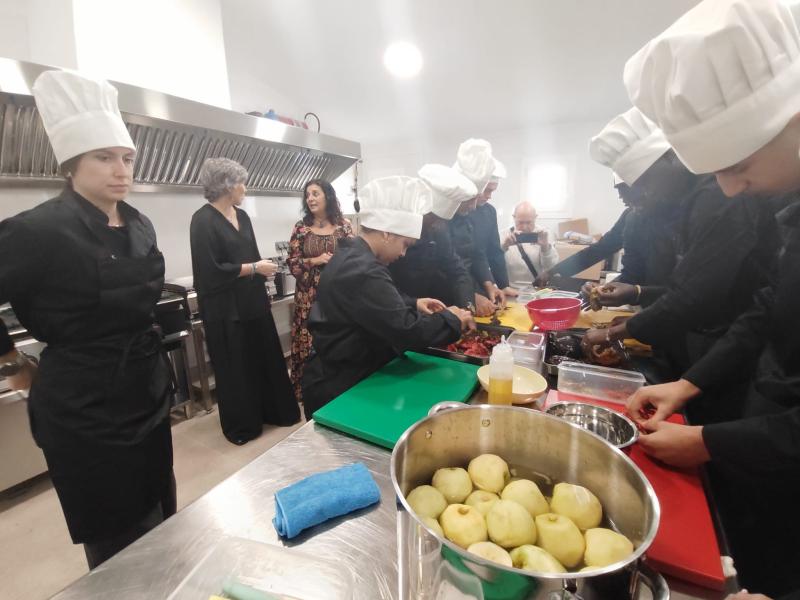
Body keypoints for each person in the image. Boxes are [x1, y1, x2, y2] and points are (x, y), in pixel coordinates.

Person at [622, 0, 800, 594]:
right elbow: (768, 308)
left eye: (739, 163)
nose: (728, 187)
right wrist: (688, 385)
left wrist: (708, 440)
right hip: (765, 430)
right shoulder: (789, 207)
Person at [0, 70, 175, 568]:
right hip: (85, 415)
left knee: (162, 522)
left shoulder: (138, 223)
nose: (120, 170)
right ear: (72, 163)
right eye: (104, 157)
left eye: (126, 158)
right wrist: (12, 363)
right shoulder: (38, 230)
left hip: (147, 398)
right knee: (121, 545)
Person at [581, 108, 775, 384]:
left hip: (734, 342)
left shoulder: (716, 197)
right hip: (695, 335)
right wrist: (634, 294)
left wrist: (618, 331)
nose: (643, 195)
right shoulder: (683, 201)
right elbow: (681, 289)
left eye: (645, 183)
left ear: (671, 158)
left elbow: (695, 295)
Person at [302, 176, 474, 419]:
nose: (404, 254)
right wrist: (452, 318)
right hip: (338, 387)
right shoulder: (362, 268)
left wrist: (412, 302)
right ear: (386, 233)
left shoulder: (357, 256)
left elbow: (372, 303)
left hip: (348, 373)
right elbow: (406, 329)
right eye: (405, 244)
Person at [190, 158, 300, 445]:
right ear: (227, 185)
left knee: (264, 358)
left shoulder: (243, 216)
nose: (244, 188)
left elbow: (250, 255)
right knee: (236, 367)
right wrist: (254, 268)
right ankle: (244, 425)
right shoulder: (202, 221)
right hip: (225, 310)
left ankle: (274, 412)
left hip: (252, 303)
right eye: (241, 182)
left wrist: (260, 275)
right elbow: (210, 271)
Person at [287, 179, 353, 404]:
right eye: (307, 195)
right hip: (309, 298)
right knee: (309, 344)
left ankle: (338, 389)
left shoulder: (344, 226)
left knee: (337, 340)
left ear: (328, 196)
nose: (311, 199)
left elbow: (355, 259)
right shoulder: (301, 228)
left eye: (315, 193)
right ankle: (307, 392)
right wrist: (315, 260)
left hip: (338, 297)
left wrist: (340, 262)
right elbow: (292, 264)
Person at [389, 164, 477, 308]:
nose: (438, 225)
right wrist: (414, 304)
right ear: (422, 211)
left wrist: (468, 307)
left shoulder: (439, 230)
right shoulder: (395, 233)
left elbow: (458, 271)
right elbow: (384, 287)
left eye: (442, 220)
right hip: (397, 308)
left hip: (427, 309)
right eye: (434, 219)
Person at [451, 138, 505, 316]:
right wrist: (470, 296)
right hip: (446, 294)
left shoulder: (473, 212)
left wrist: (491, 285)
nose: (474, 206)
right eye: (486, 191)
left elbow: (478, 253)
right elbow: (443, 268)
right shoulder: (441, 218)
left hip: (468, 286)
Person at [470, 158, 516, 297]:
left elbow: (494, 251)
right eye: (486, 191)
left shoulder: (489, 212)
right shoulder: (457, 213)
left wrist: (503, 285)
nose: (489, 196)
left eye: (493, 191)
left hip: (482, 280)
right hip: (459, 283)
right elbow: (458, 261)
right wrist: (473, 295)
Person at [501, 201, 559, 286]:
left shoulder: (544, 234)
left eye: (528, 222)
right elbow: (493, 265)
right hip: (511, 288)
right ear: (514, 217)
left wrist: (545, 247)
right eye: (520, 222)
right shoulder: (503, 235)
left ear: (535, 218)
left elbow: (551, 268)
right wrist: (504, 246)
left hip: (537, 289)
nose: (524, 227)